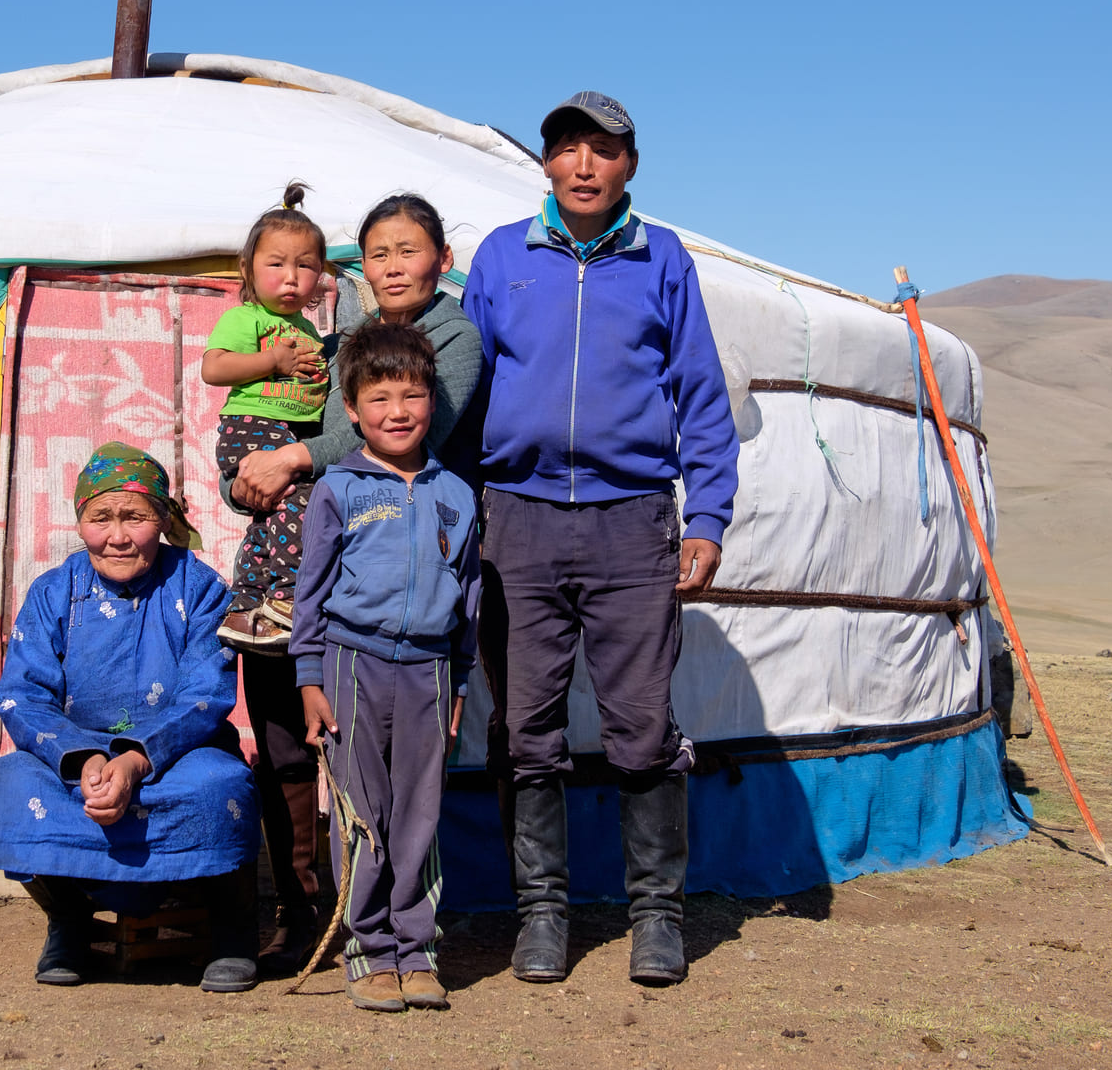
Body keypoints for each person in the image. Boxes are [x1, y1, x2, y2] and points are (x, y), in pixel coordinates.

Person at [461, 91, 740, 987]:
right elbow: (464, 390)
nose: (585, 164)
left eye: (604, 150)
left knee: (642, 724)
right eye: (568, 148)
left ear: (629, 166)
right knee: (527, 726)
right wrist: (456, 507)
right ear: (544, 162)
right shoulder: (504, 256)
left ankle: (656, 916)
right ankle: (541, 917)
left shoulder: (664, 260)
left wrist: (708, 516)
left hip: (631, 521)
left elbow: (699, 392)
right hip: (519, 516)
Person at [226, 192, 487, 973]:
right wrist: (251, 467)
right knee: (293, 749)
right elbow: (306, 413)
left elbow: (359, 434)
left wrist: (286, 459)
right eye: (378, 253)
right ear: (362, 267)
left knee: (402, 799)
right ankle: (313, 913)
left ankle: (398, 938)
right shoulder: (334, 338)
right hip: (331, 611)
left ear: (442, 258)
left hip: (410, 608)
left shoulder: (453, 338)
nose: (393, 265)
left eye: (409, 249)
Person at [0, 442, 261, 993]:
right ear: (81, 524)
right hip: (74, 754)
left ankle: (234, 932)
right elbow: (23, 693)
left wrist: (133, 760)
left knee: (222, 788)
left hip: (177, 753)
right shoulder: (55, 591)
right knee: (2, 784)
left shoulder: (201, 588)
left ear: (163, 521)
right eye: (101, 518)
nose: (117, 536)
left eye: (134, 517)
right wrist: (85, 758)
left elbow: (206, 694)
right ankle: (69, 921)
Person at [291, 320, 481, 1013]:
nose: (396, 412)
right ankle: (369, 952)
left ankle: (418, 950)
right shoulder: (338, 489)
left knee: (419, 815)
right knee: (362, 814)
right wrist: (309, 677)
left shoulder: (457, 496)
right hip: (350, 664)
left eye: (411, 396)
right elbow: (309, 591)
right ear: (351, 412)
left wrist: (460, 679)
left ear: (433, 400)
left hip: (429, 669)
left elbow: (469, 597)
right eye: (379, 399)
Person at [202, 181, 331, 651]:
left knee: (270, 519)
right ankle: (286, 599)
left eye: (305, 266)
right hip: (251, 428)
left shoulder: (308, 329)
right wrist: (271, 362)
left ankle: (245, 606)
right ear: (248, 269)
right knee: (303, 503)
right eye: (275, 264)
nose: (291, 277)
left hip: (284, 431)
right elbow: (212, 368)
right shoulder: (246, 318)